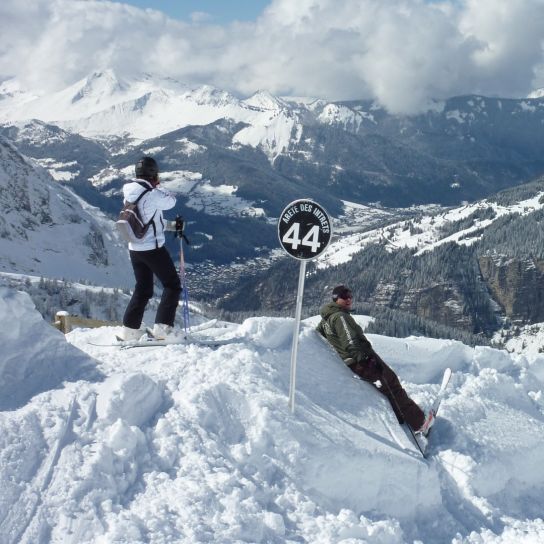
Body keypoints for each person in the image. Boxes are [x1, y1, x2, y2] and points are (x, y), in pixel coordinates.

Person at [316, 285, 434, 435]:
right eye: (344, 296)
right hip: (363, 361)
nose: (349, 299)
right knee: (392, 384)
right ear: (335, 299)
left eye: (350, 295)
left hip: (356, 362)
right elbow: (350, 341)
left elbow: (321, 336)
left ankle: (403, 418)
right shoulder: (340, 317)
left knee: (388, 387)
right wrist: (365, 360)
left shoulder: (326, 320)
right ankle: (420, 423)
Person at [121, 156, 182, 341]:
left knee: (144, 288)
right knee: (172, 285)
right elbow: (171, 201)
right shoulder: (152, 193)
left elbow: (149, 220)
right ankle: (163, 329)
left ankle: (130, 330)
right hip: (152, 248)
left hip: (134, 247)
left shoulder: (130, 191)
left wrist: (170, 225)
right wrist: (159, 186)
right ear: (153, 173)